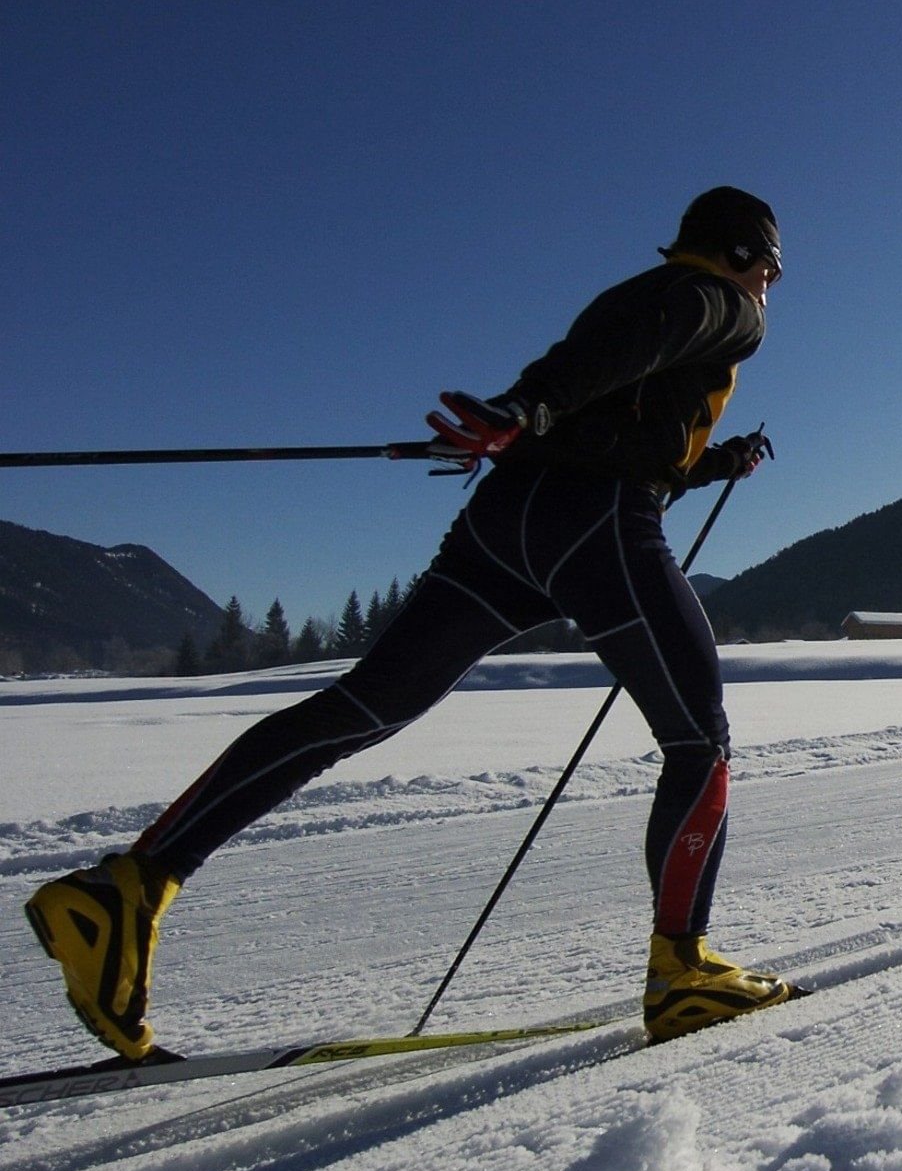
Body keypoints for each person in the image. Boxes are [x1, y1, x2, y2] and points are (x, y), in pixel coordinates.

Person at [24, 187, 795, 1060]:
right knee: (701, 743)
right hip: (595, 528)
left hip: (505, 527)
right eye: (770, 266)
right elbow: (640, 352)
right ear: (737, 255)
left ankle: (127, 888)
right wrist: (531, 405)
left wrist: (691, 455)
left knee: (361, 706)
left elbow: (616, 398)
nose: (771, 285)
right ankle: (683, 969)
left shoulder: (634, 296)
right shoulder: (722, 304)